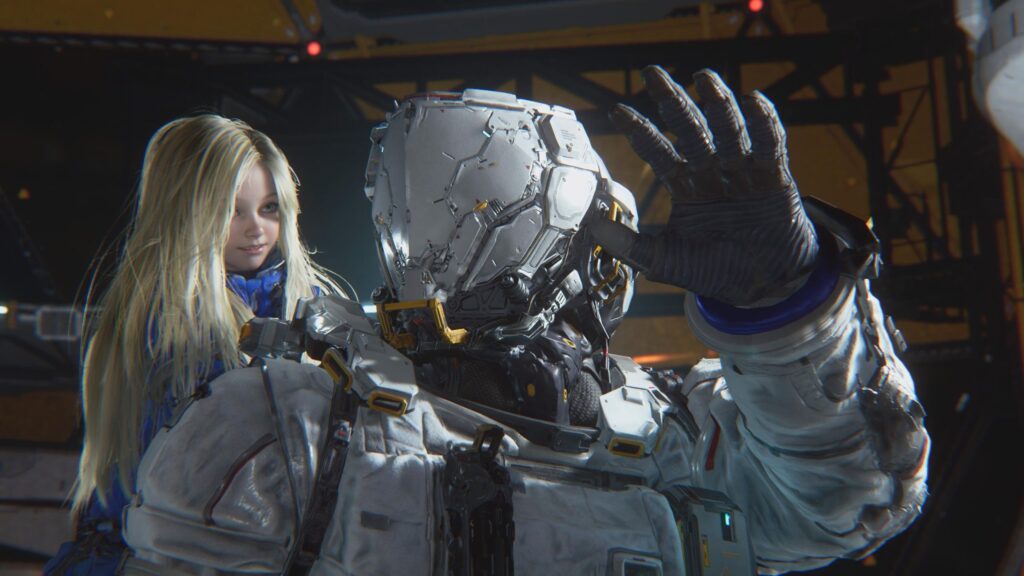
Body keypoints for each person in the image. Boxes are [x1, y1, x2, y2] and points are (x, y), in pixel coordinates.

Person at [119, 68, 928, 575]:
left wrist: (788, 313)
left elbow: (845, 507)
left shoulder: (673, 431)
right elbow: (846, 507)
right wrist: (785, 315)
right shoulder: (284, 433)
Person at [44, 114, 345, 575]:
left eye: (269, 208)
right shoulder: (166, 321)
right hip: (163, 552)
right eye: (233, 210)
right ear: (189, 210)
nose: (257, 229)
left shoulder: (311, 302)